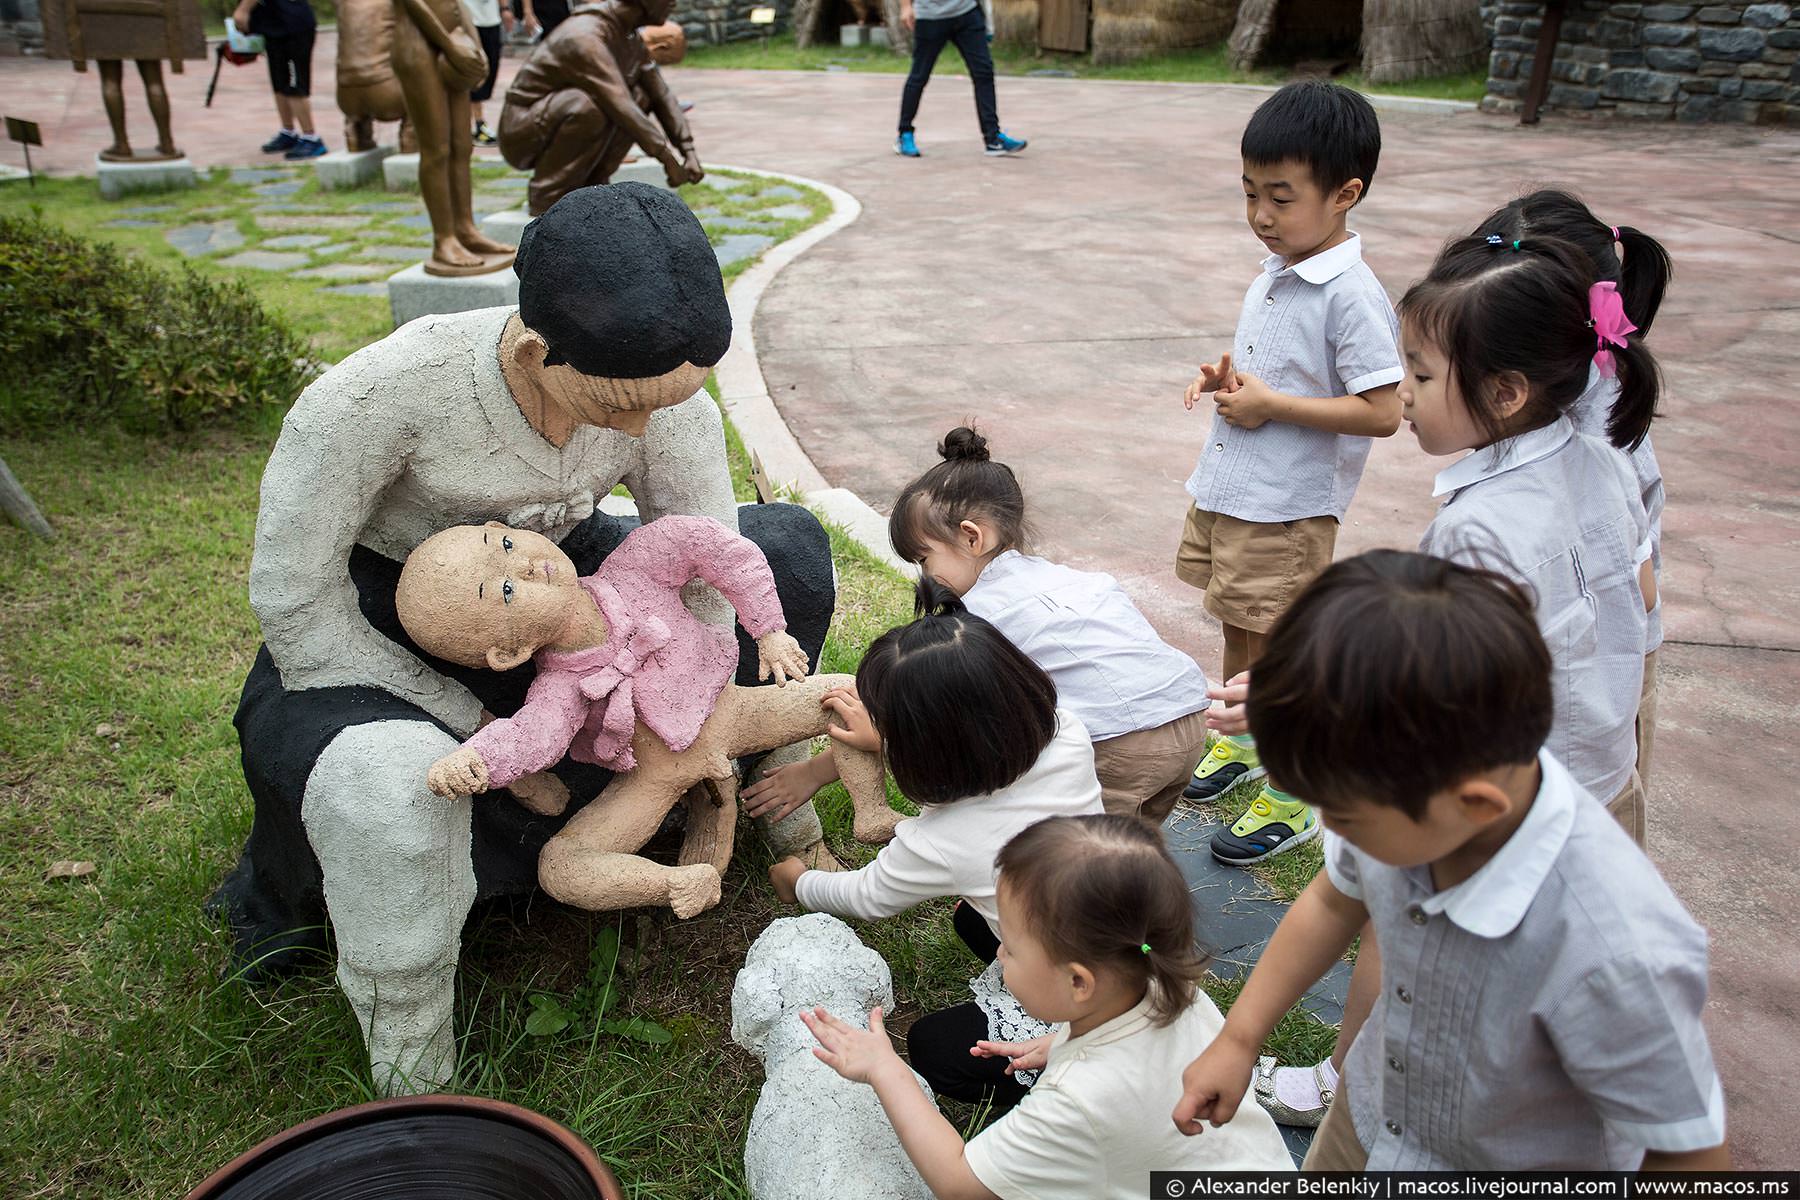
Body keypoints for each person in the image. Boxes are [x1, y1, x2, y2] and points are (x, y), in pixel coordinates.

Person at [210, 184, 840, 1095]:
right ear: (538, 351)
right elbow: (297, 603)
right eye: (619, 406)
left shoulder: (660, 400)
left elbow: (708, 559)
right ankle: (414, 1062)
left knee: (781, 551)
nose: (638, 430)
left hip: (578, 591)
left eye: (663, 406)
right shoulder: (374, 398)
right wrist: (463, 711)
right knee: (385, 785)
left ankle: (732, 799)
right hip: (396, 620)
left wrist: (682, 698)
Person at [1256, 227, 1665, 1131]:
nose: (1403, 394)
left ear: (1506, 392)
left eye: (1422, 375)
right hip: (1595, 773)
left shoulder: (1480, 531)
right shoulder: (1602, 453)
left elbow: (1436, 694)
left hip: (1492, 802)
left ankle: (1353, 1104)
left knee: (1393, 932)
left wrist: (1305, 702)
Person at [1172, 551, 1729, 1171]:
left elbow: (1686, 1153)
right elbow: (1334, 898)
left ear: (1475, 806)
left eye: (1344, 816)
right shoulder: (1414, 801)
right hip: (1370, 1119)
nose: (1331, 828)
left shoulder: (1617, 956)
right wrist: (1240, 1037)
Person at [803, 814, 1294, 1199]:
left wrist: (884, 1068)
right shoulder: (1172, 986)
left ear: (1079, 982)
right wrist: (1057, 1042)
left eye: (1011, 948)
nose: (998, 953)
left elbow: (959, 1184)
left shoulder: (1077, 1099)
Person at [745, 425, 1210, 828]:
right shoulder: (1071, 578)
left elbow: (939, 721)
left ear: (971, 537)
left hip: (1119, 744)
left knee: (1080, 872)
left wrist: (828, 764)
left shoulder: (980, 620)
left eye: (924, 560)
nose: (925, 578)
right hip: (1187, 720)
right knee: (1134, 848)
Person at [1176, 80, 1404, 868]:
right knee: (1242, 626)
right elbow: (1278, 374)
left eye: (1280, 197)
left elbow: (1383, 410)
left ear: (1345, 195)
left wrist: (1273, 406)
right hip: (1238, 491)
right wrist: (1229, 379)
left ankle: (1298, 785)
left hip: (1288, 507)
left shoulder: (1351, 295)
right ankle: (1250, 743)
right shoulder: (1278, 267)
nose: (1261, 215)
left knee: (1282, 646)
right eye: (1249, 193)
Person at [769, 582, 1105, 1112]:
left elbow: (866, 896)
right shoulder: (1066, 734)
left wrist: (797, 881)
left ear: (932, 755)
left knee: (934, 1048)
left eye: (894, 730)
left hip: (1084, 1005)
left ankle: (1066, 1079)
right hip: (1120, 928)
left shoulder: (946, 842)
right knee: (972, 918)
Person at [1470, 191, 1673, 788]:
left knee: (1594, 814)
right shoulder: (1537, 399)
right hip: (1553, 663)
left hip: (1601, 672)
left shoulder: (1600, 438)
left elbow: (1641, 587)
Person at [497, 0, 703, 216]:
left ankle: (595, 185)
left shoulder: (629, 36)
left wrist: (688, 150)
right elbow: (619, 102)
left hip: (552, 118)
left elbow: (661, 94)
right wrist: (666, 158)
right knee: (587, 107)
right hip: (520, 132)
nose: (674, 4)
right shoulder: (585, 36)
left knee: (641, 97)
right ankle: (547, 196)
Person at [894, 0, 1025, 158]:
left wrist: (987, 21)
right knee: (919, 75)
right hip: (931, 17)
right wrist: (906, 6)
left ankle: (993, 139)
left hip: (966, 12)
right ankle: (904, 133)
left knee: (984, 72)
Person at [233, 0, 326, 159]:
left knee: (294, 86)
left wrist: (243, 10)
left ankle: (312, 139)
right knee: (279, 85)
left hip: (293, 26)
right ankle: (288, 132)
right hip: (273, 27)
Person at [464, 0, 513, 144]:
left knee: (490, 69)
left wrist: (504, 8)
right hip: (469, 20)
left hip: (491, 19)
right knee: (473, 72)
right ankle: (476, 124)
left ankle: (476, 126)